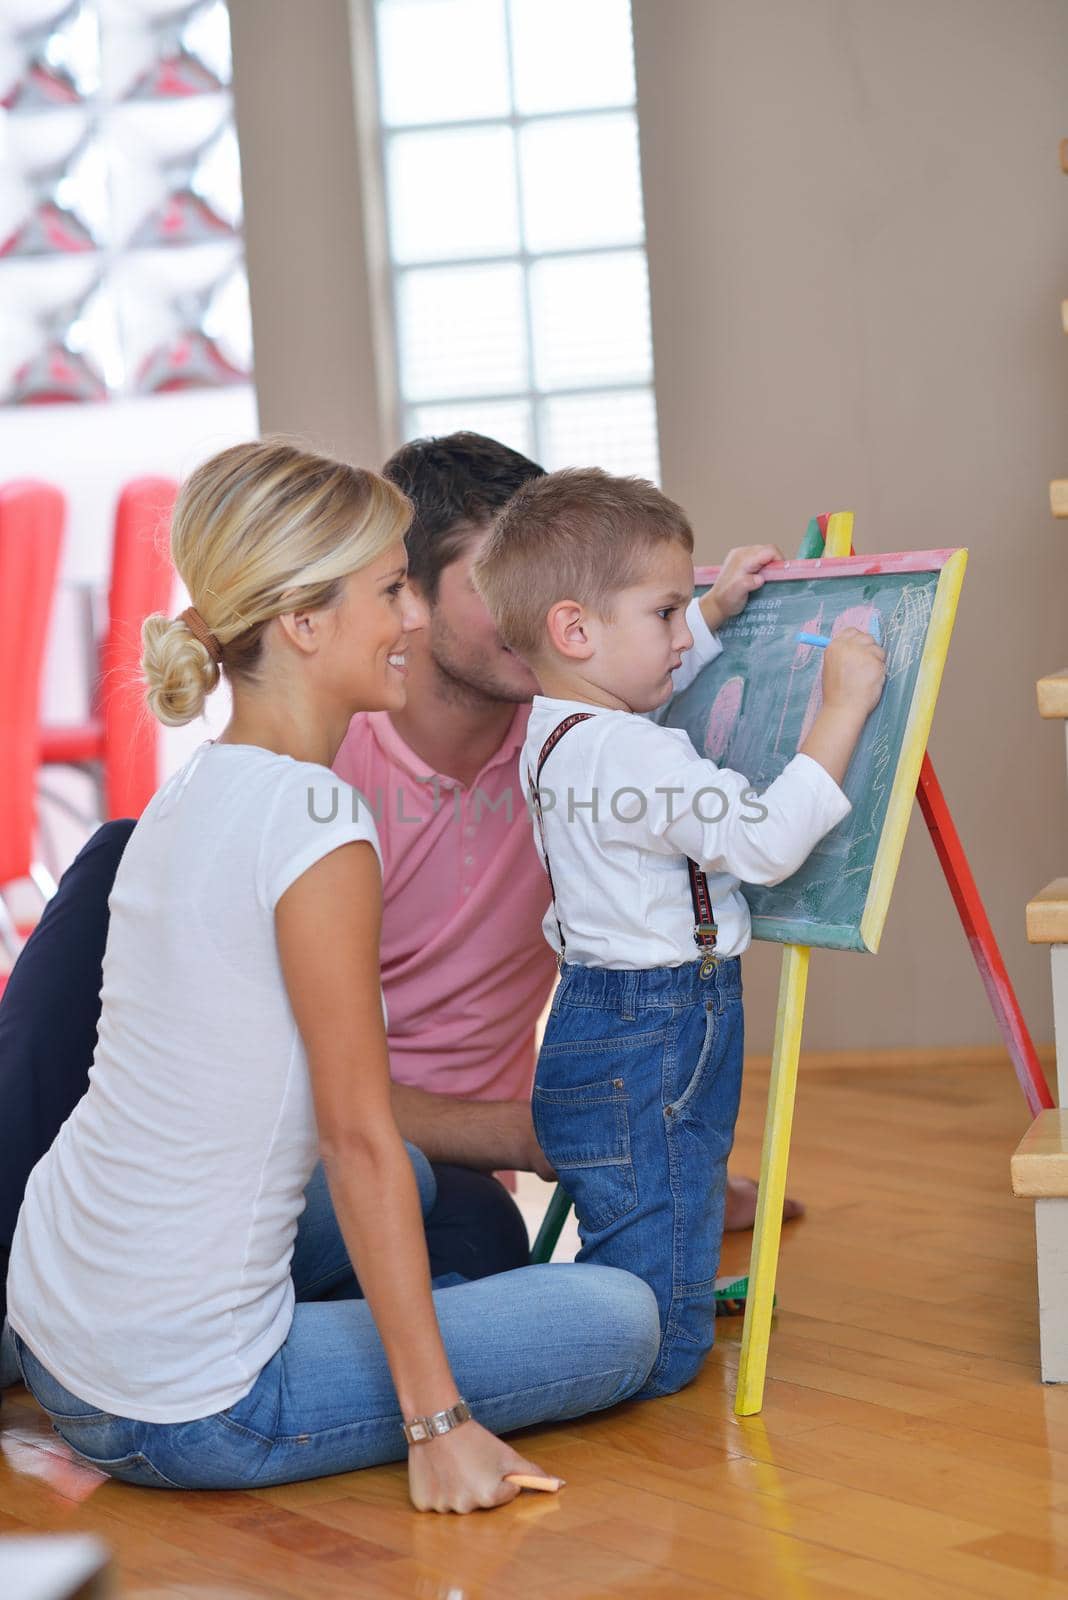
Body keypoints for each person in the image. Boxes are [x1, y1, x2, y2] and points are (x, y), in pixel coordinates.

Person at [3, 440, 660, 1508]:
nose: (411, 617)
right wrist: (436, 1423)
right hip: (189, 1404)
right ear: (303, 622)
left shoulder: (192, 790)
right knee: (618, 1321)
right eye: (391, 588)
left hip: (58, 1324)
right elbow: (352, 1137)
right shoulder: (320, 823)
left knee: (424, 1179)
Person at [473, 466, 886, 1397]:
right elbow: (769, 842)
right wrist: (843, 708)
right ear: (575, 630)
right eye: (666, 611)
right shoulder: (633, 750)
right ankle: (506, 1334)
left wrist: (709, 617)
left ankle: (566, 1306)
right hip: (662, 1022)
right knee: (661, 1341)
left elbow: (636, 692)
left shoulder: (556, 724)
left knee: (649, 1215)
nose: (677, 628)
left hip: (595, 1013)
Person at [338, 430, 799, 1235]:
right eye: (497, 580)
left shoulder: (592, 747)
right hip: (318, 1152)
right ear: (407, 595)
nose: (541, 611)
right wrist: (548, 1135)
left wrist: (666, 1163)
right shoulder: (331, 775)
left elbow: (674, 666)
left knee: (487, 1253)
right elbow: (290, 1090)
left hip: (466, 1174)